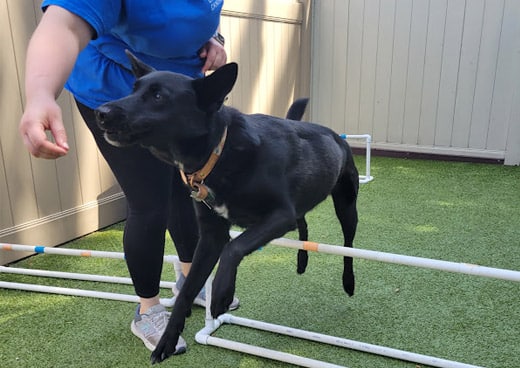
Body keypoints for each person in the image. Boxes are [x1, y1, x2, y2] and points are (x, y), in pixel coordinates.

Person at [19, 0, 238, 355]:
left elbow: (198, 17)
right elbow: (65, 24)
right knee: (149, 202)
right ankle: (147, 310)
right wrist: (40, 94)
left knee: (185, 189)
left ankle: (189, 279)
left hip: (176, 94)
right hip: (117, 90)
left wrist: (214, 39)